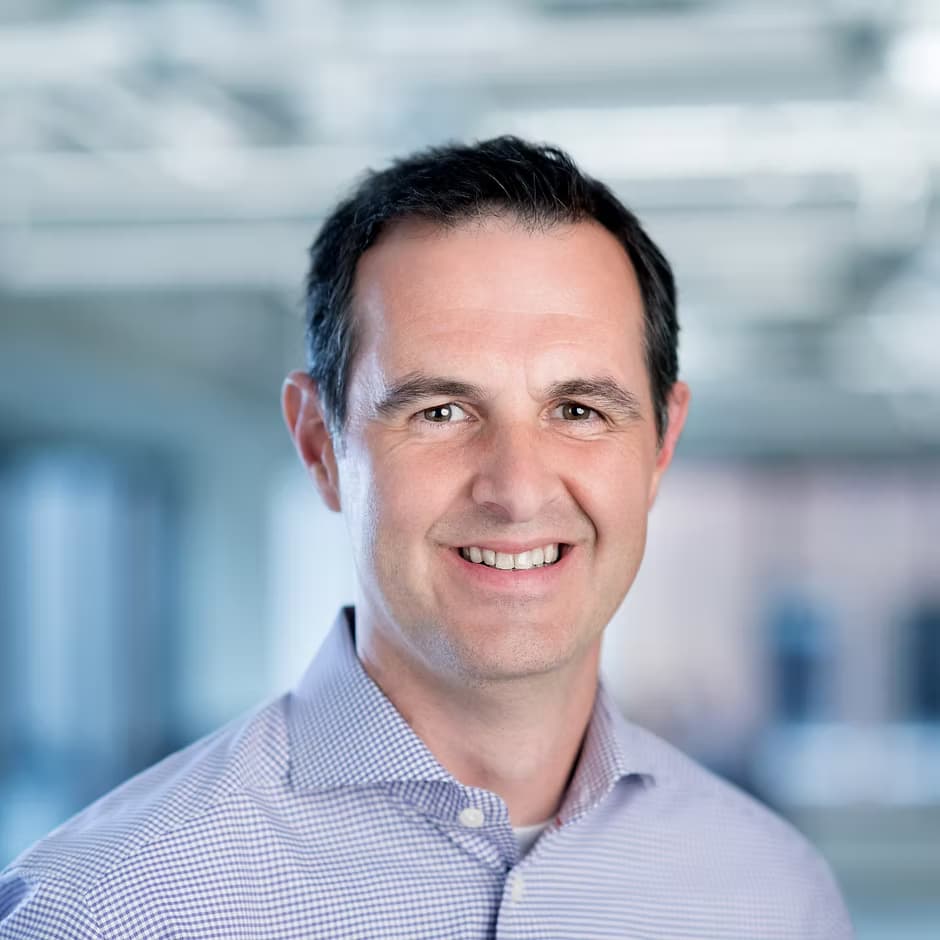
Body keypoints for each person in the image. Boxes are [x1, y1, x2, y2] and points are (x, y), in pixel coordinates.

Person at [0, 136, 853, 938]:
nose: (517, 490)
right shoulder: (108, 910)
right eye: (440, 411)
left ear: (661, 445)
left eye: (579, 411)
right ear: (319, 445)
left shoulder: (774, 895)